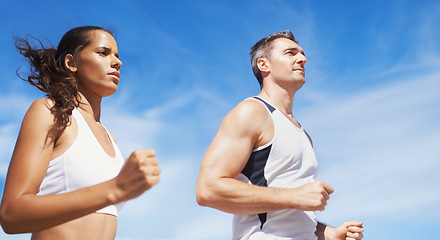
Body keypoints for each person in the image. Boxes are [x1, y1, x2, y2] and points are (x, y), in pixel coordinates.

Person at [196, 30, 364, 240]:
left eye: (302, 54)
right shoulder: (252, 111)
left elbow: (287, 212)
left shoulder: (303, 134)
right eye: (290, 53)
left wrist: (330, 234)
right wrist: (294, 196)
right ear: (264, 65)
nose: (302, 59)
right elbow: (208, 189)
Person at [0, 26, 161, 239]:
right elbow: (11, 215)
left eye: (117, 55)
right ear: (71, 63)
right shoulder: (50, 112)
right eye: (103, 53)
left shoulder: (109, 137)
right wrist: (116, 188)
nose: (117, 62)